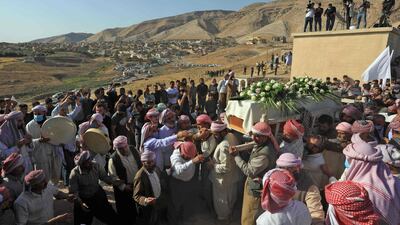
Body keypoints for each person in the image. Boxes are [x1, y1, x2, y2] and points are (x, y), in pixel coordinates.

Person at [229, 122, 279, 225]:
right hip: (255, 183)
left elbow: (249, 171)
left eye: (258, 136)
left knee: (250, 213)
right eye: (254, 135)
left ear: (266, 137)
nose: (254, 138)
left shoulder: (265, 154)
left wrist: (236, 156)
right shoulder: (264, 142)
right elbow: (253, 145)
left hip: (256, 187)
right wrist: (240, 148)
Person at [342, 141, 400, 224]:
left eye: (348, 159)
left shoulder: (356, 192)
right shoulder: (395, 181)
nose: (347, 163)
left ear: (356, 162)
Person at [69, 151, 122, 225]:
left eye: (90, 160)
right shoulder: (74, 173)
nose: (90, 162)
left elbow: (105, 177)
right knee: (83, 221)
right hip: (84, 199)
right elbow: (74, 192)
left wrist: (117, 182)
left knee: (111, 217)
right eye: (87, 162)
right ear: (81, 164)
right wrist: (80, 203)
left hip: (97, 194)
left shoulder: (96, 166)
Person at [276, 153, 325, 225]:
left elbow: (316, 214)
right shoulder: (276, 180)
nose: (286, 171)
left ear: (298, 167)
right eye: (282, 168)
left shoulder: (309, 187)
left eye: (290, 168)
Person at [208, 121, 241, 222]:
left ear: (223, 132)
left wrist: (213, 166)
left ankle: (223, 219)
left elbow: (226, 167)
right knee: (230, 198)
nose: (214, 137)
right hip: (232, 177)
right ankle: (228, 216)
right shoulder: (231, 136)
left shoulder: (223, 146)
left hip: (222, 179)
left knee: (221, 202)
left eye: (216, 134)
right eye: (213, 134)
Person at [108, 136, 142, 225]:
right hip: (126, 188)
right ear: (117, 149)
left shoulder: (134, 150)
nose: (124, 150)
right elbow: (113, 177)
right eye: (121, 149)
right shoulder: (113, 159)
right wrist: (123, 187)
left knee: (140, 205)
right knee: (126, 210)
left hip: (138, 184)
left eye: (125, 147)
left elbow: (141, 164)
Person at [169, 141, 204, 224]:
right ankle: (174, 221)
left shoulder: (191, 149)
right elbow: (178, 170)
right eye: (187, 157)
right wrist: (192, 161)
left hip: (188, 182)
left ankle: (186, 218)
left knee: (188, 201)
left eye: (190, 157)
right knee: (176, 203)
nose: (189, 158)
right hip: (177, 184)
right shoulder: (175, 156)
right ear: (181, 151)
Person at [134, 150, 168, 225]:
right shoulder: (140, 176)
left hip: (159, 203)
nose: (152, 164)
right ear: (143, 163)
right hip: (150, 208)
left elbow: (161, 177)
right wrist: (145, 200)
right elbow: (136, 196)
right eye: (149, 163)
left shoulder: (156, 168)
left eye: (153, 161)